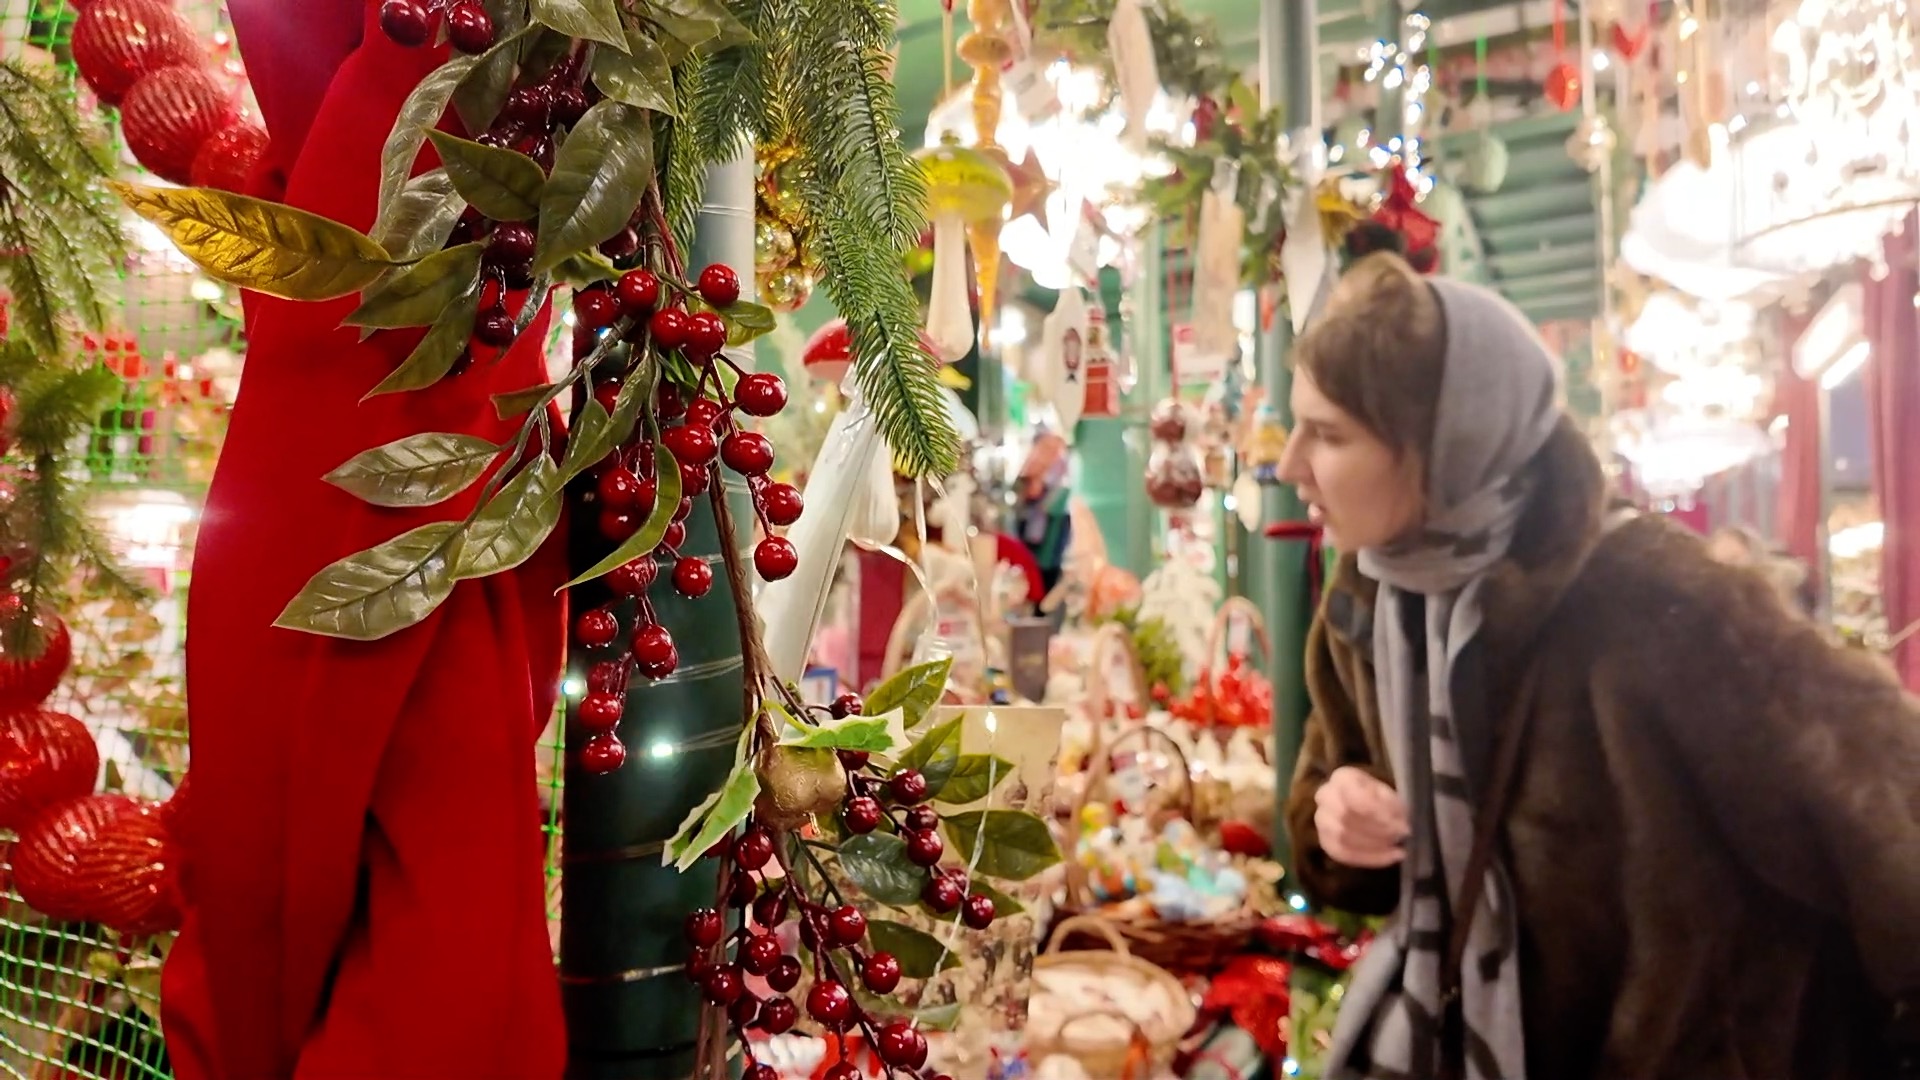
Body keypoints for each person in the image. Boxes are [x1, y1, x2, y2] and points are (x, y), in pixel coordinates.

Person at [1277, 253, 1920, 1080]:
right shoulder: (1366, 607)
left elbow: (1885, 811)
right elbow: (1337, 835)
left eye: (1329, 434)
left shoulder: (1657, 599)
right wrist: (1338, 821)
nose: (1290, 464)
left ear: (1443, 444)